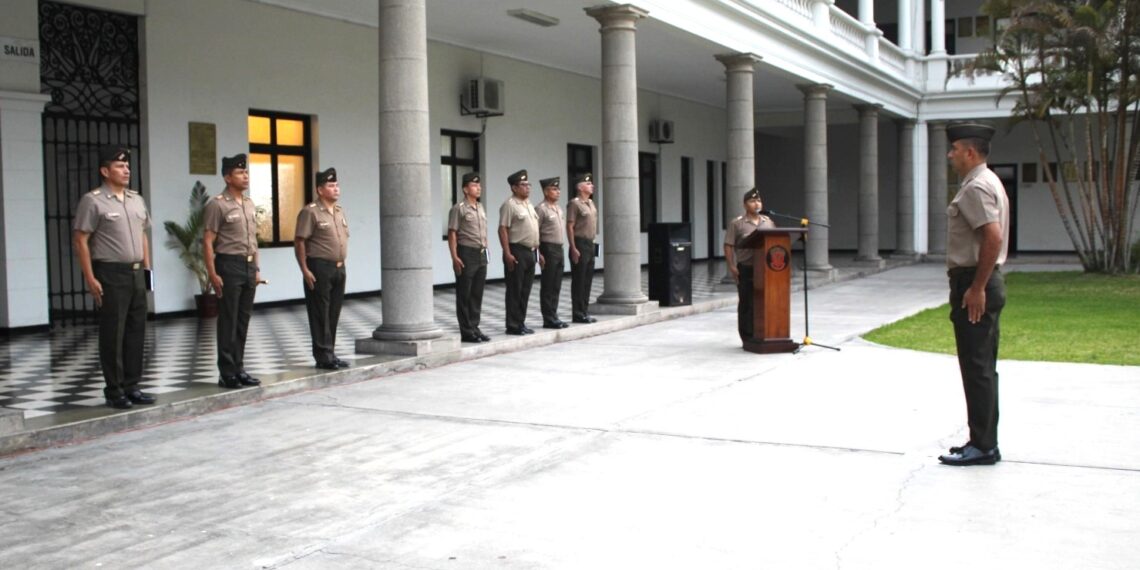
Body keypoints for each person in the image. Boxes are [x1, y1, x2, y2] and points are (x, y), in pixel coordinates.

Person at [938, 122, 1010, 467]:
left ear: (970, 152)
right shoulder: (987, 181)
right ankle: (982, 440)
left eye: (953, 149)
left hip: (974, 282)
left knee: (976, 367)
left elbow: (992, 237)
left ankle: (983, 446)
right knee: (982, 367)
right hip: (980, 280)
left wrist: (976, 287)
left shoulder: (975, 188)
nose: (950, 155)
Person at [72, 145, 156, 410]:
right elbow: (81, 239)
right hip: (110, 272)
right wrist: (90, 277)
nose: (126, 170)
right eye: (120, 166)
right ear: (105, 170)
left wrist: (147, 268)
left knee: (135, 330)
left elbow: (143, 234)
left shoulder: (136, 199)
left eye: (127, 166)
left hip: (135, 272)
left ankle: (132, 385)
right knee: (113, 332)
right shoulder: (93, 200)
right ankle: (114, 389)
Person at [203, 154, 262, 389]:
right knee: (228, 320)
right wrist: (212, 273)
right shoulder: (217, 204)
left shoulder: (248, 204)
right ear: (228, 177)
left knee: (242, 320)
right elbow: (207, 241)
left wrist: (256, 268)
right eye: (240, 173)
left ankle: (239, 367)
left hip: (248, 265)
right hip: (228, 265)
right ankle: (226, 372)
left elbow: (253, 240)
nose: (245, 176)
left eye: (246, 172)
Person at [295, 167, 350, 369]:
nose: (336, 188)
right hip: (319, 267)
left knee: (333, 312)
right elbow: (300, 241)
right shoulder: (310, 212)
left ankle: (330, 352)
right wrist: (305, 269)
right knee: (320, 312)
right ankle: (322, 355)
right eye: (330, 185)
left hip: (338, 268)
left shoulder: (339, 212)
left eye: (336, 185)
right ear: (320, 190)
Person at [723, 189, 776, 341]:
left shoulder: (769, 222)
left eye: (758, 201)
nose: (756, 204)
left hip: (766, 269)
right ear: (745, 205)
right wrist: (732, 266)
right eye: (752, 201)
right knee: (747, 303)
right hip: (746, 268)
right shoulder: (738, 223)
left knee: (764, 302)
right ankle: (747, 337)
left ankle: (763, 332)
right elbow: (728, 245)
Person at [447, 172, 490, 343]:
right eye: (474, 185)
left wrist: (487, 248)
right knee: (464, 294)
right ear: (465, 189)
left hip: (481, 253)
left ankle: (475, 327)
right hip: (466, 253)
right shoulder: (459, 208)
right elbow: (452, 233)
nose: (478, 188)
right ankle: (466, 331)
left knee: (477, 294)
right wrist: (454, 257)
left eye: (479, 185)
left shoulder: (480, 207)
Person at [498, 169, 540, 335]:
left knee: (525, 290)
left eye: (528, 184)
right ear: (514, 188)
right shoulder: (510, 205)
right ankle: (512, 324)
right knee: (515, 290)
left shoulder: (528, 204)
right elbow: (502, 229)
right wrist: (507, 253)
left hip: (530, 251)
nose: (527, 187)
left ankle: (520, 322)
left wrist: (538, 252)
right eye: (523, 185)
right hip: (516, 250)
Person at [536, 177, 568, 329]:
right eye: (554, 189)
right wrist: (538, 252)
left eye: (558, 189)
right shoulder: (541, 209)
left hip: (559, 248)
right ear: (545, 191)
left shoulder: (558, 208)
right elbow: (535, 231)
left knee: (556, 285)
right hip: (547, 248)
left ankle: (554, 315)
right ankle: (548, 318)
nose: (558, 192)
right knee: (548, 285)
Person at [566, 172, 598, 324]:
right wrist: (573, 247)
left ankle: (584, 311)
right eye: (588, 183)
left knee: (587, 280)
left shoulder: (591, 203)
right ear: (580, 188)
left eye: (591, 183)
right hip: (579, 243)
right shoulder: (575, 203)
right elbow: (570, 226)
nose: (591, 185)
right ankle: (577, 313)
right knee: (579, 280)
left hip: (590, 244)